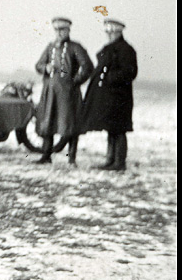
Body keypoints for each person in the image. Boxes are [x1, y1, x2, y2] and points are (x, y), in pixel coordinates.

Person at [33, 17, 93, 164]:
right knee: (48, 123)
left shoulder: (75, 47)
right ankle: (46, 155)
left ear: (68, 30)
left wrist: (75, 81)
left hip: (68, 94)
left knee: (70, 125)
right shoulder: (50, 47)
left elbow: (87, 67)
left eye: (62, 30)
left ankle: (71, 158)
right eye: (57, 30)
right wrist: (45, 67)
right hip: (50, 92)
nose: (59, 33)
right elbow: (38, 65)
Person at [81, 18, 138, 171]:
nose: (110, 35)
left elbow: (129, 72)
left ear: (119, 32)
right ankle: (110, 160)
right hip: (110, 98)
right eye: (108, 32)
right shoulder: (109, 49)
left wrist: (110, 77)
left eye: (112, 32)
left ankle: (119, 162)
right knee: (111, 129)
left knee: (119, 130)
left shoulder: (126, 50)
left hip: (120, 98)